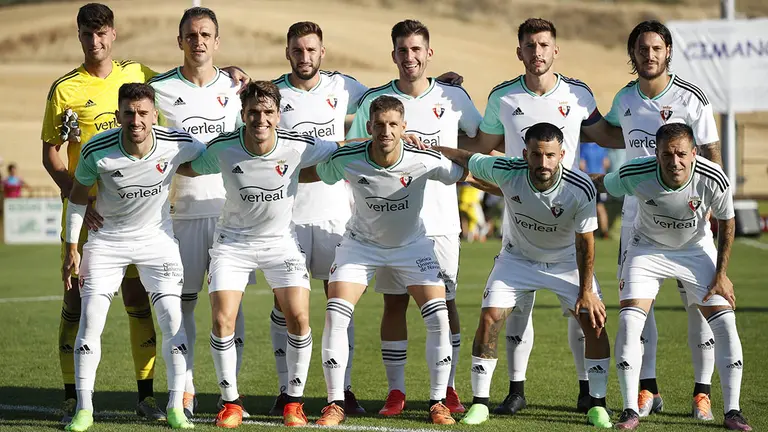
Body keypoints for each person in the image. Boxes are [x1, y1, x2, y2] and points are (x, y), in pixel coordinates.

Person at [41, 4, 250, 422]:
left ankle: (150, 396)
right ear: (79, 35)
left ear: (113, 34)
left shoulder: (138, 73)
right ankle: (73, 396)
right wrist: (80, 197)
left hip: (151, 219)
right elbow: (51, 154)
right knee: (76, 302)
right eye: (87, 34)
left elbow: (188, 78)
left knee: (143, 301)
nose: (95, 42)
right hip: (93, 214)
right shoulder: (63, 89)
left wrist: (228, 72)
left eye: (102, 34)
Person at [459, 17, 623, 415]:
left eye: (544, 45)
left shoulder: (578, 93)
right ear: (520, 52)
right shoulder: (503, 96)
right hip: (520, 217)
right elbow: (481, 145)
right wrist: (439, 113)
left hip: (568, 216)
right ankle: (516, 389)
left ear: (555, 50)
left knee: (581, 314)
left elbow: (607, 136)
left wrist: (655, 127)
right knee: (516, 310)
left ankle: (588, 390)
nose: (537, 53)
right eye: (530, 46)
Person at [176, 81, 343, 428]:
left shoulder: (298, 145)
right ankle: (230, 403)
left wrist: (397, 142)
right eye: (253, 112)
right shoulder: (223, 147)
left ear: (279, 116)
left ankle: (294, 403)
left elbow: (343, 148)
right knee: (223, 318)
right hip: (232, 243)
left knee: (298, 316)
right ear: (243, 115)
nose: (260, 119)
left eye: (268, 112)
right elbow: (186, 165)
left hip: (280, 242)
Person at [435, 122, 612, 427]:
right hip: (517, 260)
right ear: (525, 154)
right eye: (536, 155)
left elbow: (586, 243)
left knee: (594, 322)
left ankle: (597, 403)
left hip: (566, 262)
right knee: (490, 317)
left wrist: (586, 292)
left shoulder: (579, 187)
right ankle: (480, 403)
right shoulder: (506, 168)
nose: (543, 163)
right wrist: (427, 147)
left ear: (562, 155)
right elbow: (464, 156)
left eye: (550, 156)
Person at [346, 19, 482, 415]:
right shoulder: (377, 100)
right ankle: (396, 391)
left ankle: (449, 388)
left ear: (429, 53)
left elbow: (476, 141)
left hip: (440, 221)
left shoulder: (453, 97)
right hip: (390, 226)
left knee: (447, 305)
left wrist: (435, 148)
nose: (410, 57)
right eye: (403, 51)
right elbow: (355, 143)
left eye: (417, 50)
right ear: (394, 55)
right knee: (394, 305)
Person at [308, 95, 466, 426]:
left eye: (393, 124)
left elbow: (458, 172)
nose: (386, 131)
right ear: (369, 128)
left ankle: (437, 402)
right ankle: (335, 403)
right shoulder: (350, 157)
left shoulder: (422, 157)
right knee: (336, 312)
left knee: (438, 317)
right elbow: (320, 169)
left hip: (412, 246)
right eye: (379, 125)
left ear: (404, 127)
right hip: (360, 245)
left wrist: (440, 148)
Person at [61, 83, 204, 432]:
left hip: (157, 240)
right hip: (107, 241)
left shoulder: (178, 142)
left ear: (155, 115)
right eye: (129, 113)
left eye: (142, 113)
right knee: (91, 321)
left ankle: (175, 407)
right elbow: (79, 198)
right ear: (118, 115)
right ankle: (84, 409)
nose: (136, 120)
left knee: (172, 319)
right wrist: (71, 248)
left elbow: (211, 155)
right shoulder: (97, 150)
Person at [590, 123, 751, 431]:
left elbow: (727, 224)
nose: (674, 161)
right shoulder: (635, 173)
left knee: (726, 322)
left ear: (694, 153)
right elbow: (600, 182)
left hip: (695, 250)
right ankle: (628, 410)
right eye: (667, 154)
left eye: (680, 154)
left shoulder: (713, 177)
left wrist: (721, 275)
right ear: (656, 154)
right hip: (647, 251)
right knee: (629, 321)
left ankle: (733, 411)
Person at [604, 20, 722, 420]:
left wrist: (711, 206)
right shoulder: (624, 99)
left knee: (699, 307)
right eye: (641, 49)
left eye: (656, 48)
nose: (649, 55)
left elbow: (711, 152)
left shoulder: (692, 98)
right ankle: (647, 390)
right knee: (641, 309)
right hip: (638, 225)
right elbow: (597, 130)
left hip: (690, 223)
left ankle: (701, 394)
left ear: (668, 51)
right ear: (632, 54)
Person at [147, 6, 244, 418]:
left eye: (206, 35)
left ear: (217, 42)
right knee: (181, 305)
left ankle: (230, 397)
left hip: (231, 215)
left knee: (231, 309)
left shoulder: (238, 88)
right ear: (180, 40)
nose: (199, 41)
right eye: (191, 34)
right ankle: (184, 390)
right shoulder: (159, 88)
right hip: (181, 212)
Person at [268, 21, 368, 415]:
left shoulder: (345, 88)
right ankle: (285, 390)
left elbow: (391, 98)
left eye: (311, 50)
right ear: (287, 51)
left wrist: (440, 83)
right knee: (284, 308)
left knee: (339, 304)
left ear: (322, 52)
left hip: (334, 216)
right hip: (286, 217)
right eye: (297, 50)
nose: (304, 57)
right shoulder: (274, 93)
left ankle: (342, 391)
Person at [579, 142, 610, 237]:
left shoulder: (583, 147)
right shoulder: (601, 146)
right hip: (601, 179)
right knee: (600, 206)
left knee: (587, 206)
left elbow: (582, 164)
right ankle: (605, 231)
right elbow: (606, 163)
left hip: (589, 179)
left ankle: (589, 230)